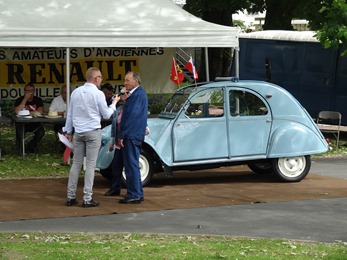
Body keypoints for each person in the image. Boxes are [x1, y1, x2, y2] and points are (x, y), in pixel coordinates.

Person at [63, 67, 120, 208]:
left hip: (79, 132)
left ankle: (71, 197)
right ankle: (87, 198)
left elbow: (70, 114)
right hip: (93, 132)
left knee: (76, 164)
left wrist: (68, 131)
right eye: (100, 77)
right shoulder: (98, 93)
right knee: (90, 165)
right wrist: (113, 104)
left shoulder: (75, 92)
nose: (101, 79)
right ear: (95, 78)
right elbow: (106, 115)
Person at [117, 71, 148, 204]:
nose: (125, 83)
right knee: (132, 164)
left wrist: (122, 135)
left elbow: (131, 116)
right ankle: (136, 192)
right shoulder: (136, 95)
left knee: (131, 165)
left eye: (127, 80)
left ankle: (134, 193)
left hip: (132, 134)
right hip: (133, 134)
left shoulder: (138, 95)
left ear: (136, 81)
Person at [104, 87, 129, 197]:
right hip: (119, 141)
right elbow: (115, 126)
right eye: (122, 94)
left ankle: (132, 191)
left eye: (125, 93)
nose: (123, 95)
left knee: (130, 166)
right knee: (116, 166)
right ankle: (115, 188)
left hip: (128, 140)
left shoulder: (131, 107)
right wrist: (112, 142)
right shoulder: (119, 109)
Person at [14, 82, 45, 153]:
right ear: (24, 91)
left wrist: (26, 112)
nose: (29, 93)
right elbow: (17, 111)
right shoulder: (19, 100)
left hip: (34, 123)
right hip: (22, 123)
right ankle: (22, 149)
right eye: (27, 91)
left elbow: (40, 111)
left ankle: (31, 146)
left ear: (34, 92)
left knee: (41, 132)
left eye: (31, 91)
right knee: (19, 131)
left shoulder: (38, 100)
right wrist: (25, 99)